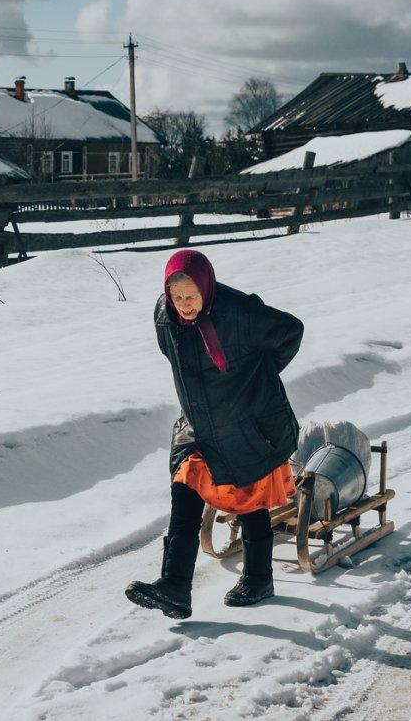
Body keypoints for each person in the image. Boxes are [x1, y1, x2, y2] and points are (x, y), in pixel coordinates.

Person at [125, 248, 304, 619]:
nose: (184, 305)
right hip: (200, 423)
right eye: (177, 297)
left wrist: (256, 378)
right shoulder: (164, 316)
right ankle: (174, 587)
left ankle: (259, 578)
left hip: (248, 421)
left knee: (249, 500)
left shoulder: (240, 312)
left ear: (207, 287)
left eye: (192, 296)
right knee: (184, 488)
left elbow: (290, 331)